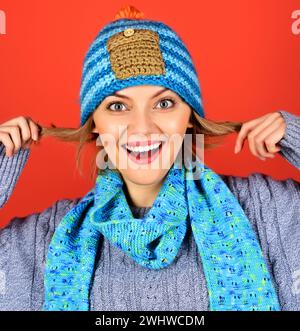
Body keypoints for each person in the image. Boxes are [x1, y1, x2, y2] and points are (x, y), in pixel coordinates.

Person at [0, 5, 299, 311]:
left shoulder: (265, 211)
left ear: (189, 119)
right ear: (95, 126)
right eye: (118, 107)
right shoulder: (44, 240)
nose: (142, 128)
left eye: (164, 103)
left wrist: (294, 134)